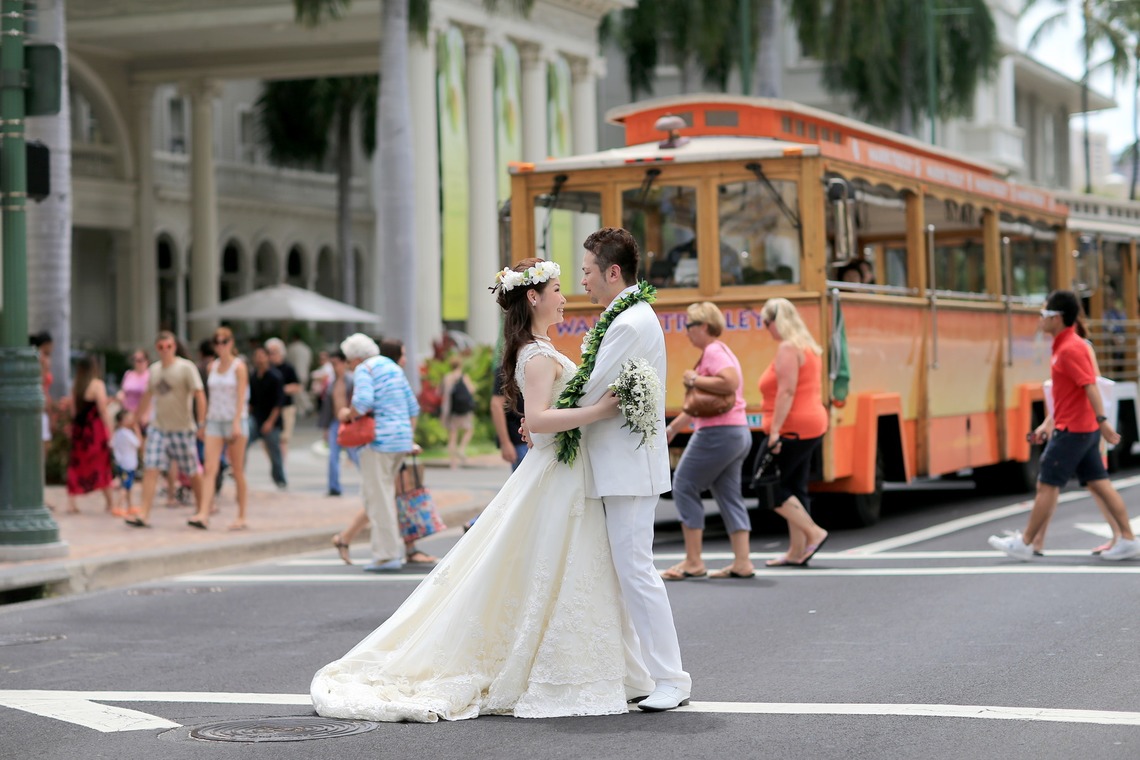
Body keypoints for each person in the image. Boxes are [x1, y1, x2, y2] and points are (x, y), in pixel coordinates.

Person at [311, 259, 639, 722]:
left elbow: (538, 417)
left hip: (560, 469)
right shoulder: (539, 354)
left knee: (547, 568)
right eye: (558, 289)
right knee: (551, 565)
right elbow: (542, 418)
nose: (565, 297)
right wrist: (601, 412)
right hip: (557, 474)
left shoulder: (537, 347)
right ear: (534, 297)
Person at [576, 227, 691, 712]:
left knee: (637, 571)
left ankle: (671, 677)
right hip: (620, 464)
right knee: (627, 572)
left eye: (587, 271)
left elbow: (592, 389)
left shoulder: (627, 323)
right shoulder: (625, 316)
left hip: (628, 465)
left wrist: (544, 418)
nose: (583, 280)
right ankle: (642, 671)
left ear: (613, 272)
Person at [988, 291, 1140, 561]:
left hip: (1074, 432)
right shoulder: (1062, 346)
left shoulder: (1071, 348)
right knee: (1100, 484)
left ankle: (1025, 543)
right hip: (1078, 428)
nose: (1040, 320)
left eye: (1044, 315)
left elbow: (1089, 385)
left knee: (1047, 484)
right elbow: (1067, 394)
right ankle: (1127, 538)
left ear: (1057, 318)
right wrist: (1049, 423)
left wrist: (1103, 422)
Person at [660, 302, 753, 580]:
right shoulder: (720, 350)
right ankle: (742, 561)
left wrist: (696, 378)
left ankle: (693, 560)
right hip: (736, 431)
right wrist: (674, 428)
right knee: (729, 494)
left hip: (717, 433)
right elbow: (704, 403)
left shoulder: (712, 351)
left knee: (684, 484)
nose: (686, 332)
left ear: (703, 326)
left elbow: (730, 382)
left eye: (689, 326)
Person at [330, 340, 436, 566]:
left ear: (357, 358)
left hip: (378, 442)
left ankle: (385, 556)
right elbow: (412, 407)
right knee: (376, 495)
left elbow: (363, 402)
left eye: (349, 361)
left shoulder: (365, 369)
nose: (349, 366)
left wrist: (347, 413)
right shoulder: (393, 368)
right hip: (400, 441)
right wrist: (406, 434)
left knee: (380, 499)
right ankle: (347, 540)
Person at [756, 297, 830, 567]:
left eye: (766, 322)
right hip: (813, 423)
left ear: (778, 321)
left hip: (792, 427)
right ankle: (797, 551)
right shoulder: (808, 346)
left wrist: (774, 431)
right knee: (794, 487)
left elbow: (786, 391)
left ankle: (814, 532)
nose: (766, 328)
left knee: (766, 483)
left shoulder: (788, 348)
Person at [127, 331, 207, 527]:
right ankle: (144, 513)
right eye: (161, 347)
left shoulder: (186, 368)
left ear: (174, 347)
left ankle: (202, 510)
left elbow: (199, 394)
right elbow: (147, 396)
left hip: (182, 428)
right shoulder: (154, 370)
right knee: (151, 468)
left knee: (192, 471)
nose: (165, 350)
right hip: (159, 428)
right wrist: (135, 420)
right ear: (157, 348)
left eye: (169, 346)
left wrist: (202, 423)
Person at [192, 327, 250, 531]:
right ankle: (204, 513)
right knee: (209, 468)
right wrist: (203, 421)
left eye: (224, 341)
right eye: (217, 342)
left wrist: (236, 422)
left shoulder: (239, 367)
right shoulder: (212, 366)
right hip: (215, 420)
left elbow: (242, 397)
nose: (221, 345)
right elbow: (209, 397)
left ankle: (241, 515)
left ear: (232, 343)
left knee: (237, 470)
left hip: (234, 420)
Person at [66, 355, 116, 514]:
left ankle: (72, 503)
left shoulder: (76, 386)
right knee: (102, 464)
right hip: (95, 431)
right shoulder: (97, 384)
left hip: (79, 431)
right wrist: (110, 431)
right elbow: (102, 410)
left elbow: (73, 412)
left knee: (77, 465)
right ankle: (110, 502)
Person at [246, 345, 287, 490]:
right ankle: (239, 472)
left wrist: (270, 422)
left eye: (262, 355)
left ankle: (280, 480)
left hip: (272, 420)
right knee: (243, 441)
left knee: (274, 452)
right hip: (256, 419)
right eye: (256, 355)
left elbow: (278, 402)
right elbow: (251, 401)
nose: (259, 358)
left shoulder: (275, 376)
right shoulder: (253, 376)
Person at [321, 349, 360, 497]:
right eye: (332, 364)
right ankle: (334, 487)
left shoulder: (352, 380)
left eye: (336, 363)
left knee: (355, 454)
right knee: (333, 456)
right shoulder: (331, 383)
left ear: (343, 363)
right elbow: (327, 407)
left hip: (350, 422)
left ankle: (369, 482)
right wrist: (325, 428)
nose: (334, 367)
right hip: (335, 422)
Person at [265, 337, 301, 466]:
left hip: (286, 407)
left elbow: (297, 386)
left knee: (283, 439)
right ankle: (276, 463)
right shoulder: (266, 369)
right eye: (269, 352)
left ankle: (281, 466)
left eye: (274, 352)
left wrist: (281, 389)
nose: (271, 355)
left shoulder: (288, 368)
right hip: (269, 408)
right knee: (267, 440)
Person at [440, 353, 477, 468]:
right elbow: (471, 390)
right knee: (469, 430)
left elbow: (444, 395)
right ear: (460, 365)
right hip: (464, 410)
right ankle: (461, 449)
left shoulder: (447, 377)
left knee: (452, 436)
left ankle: (453, 464)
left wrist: (443, 413)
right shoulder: (463, 376)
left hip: (452, 411)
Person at [110, 409, 140, 516]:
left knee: (129, 486)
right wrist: (137, 430)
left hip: (121, 463)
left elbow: (112, 445)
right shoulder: (127, 433)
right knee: (125, 486)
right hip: (128, 464)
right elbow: (138, 443)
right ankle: (118, 506)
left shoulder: (117, 433)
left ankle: (130, 505)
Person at [286, 329, 314, 416]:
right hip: (305, 372)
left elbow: (288, 361)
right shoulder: (306, 348)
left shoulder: (291, 348)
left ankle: (308, 406)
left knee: (299, 392)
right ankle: (301, 411)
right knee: (299, 392)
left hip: (296, 373)